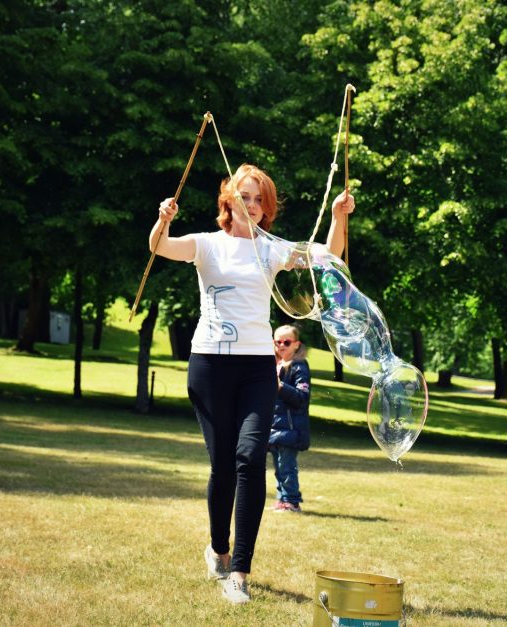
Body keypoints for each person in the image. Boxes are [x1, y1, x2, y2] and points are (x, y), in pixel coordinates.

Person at [149, 164, 353, 604]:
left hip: (257, 367)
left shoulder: (272, 250)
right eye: (245, 196)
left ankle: (239, 572)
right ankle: (219, 550)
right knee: (223, 466)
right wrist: (163, 219)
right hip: (209, 366)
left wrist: (338, 216)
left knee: (249, 458)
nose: (254, 205)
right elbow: (161, 247)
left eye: (261, 199)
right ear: (228, 200)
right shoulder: (207, 245)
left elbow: (327, 257)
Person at [269, 324, 311, 513]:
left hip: (290, 429)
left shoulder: (299, 366)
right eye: (278, 341)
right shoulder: (274, 365)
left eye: (287, 341)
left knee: (287, 468)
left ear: (296, 345)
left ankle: (292, 501)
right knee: (279, 468)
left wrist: (280, 387)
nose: (282, 345)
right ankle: (282, 499)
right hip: (274, 427)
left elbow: (302, 397)